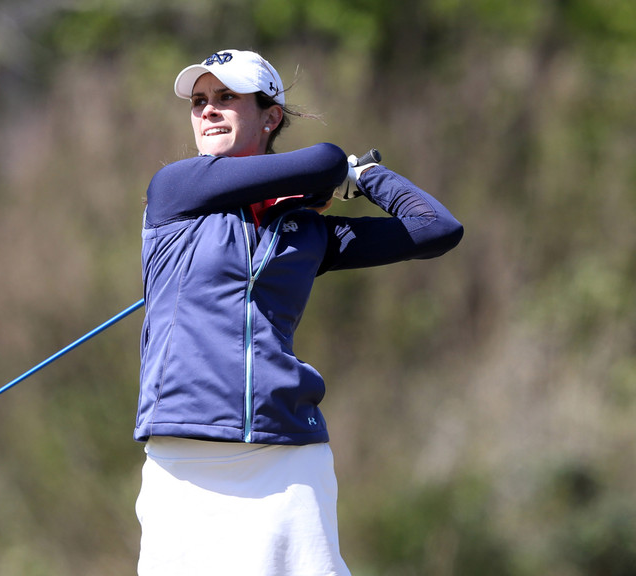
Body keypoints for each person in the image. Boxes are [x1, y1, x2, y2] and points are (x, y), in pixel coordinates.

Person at [134, 49, 464, 575]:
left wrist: (368, 176)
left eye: (226, 98)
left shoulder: (307, 231)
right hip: (184, 455)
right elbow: (324, 160)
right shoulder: (177, 190)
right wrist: (328, 177)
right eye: (200, 102)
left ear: (271, 117)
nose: (208, 111)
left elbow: (435, 229)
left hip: (285, 452)